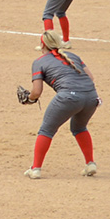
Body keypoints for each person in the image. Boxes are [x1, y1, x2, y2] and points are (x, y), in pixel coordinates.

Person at [20, 29, 99, 179]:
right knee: (79, 127)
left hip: (68, 97)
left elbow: (36, 92)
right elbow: (91, 78)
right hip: (91, 97)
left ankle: (35, 168)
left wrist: (29, 99)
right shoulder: (73, 56)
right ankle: (90, 163)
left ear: (42, 45)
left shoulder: (39, 62)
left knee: (46, 130)